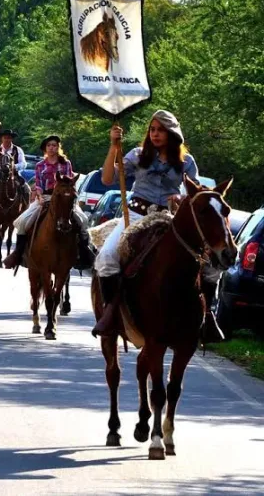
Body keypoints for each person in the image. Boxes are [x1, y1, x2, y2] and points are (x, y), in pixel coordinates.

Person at [91, 110, 214, 338]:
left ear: (172, 133)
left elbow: (196, 194)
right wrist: (113, 146)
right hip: (137, 217)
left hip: (170, 219)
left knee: (208, 261)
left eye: (161, 130)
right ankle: (111, 310)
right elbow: (107, 179)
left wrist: (181, 198)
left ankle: (206, 315)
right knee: (107, 257)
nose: (156, 134)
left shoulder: (186, 161)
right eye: (153, 129)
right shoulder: (138, 154)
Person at [3, 135, 95, 270]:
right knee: (22, 222)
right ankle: (18, 254)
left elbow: (71, 182)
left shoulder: (66, 164)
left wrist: (70, 196)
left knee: (83, 221)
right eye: (49, 145)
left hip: (64, 199)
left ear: (58, 148)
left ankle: (84, 253)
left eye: (54, 145)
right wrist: (39, 196)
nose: (52, 148)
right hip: (45, 198)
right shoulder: (40, 165)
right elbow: (39, 184)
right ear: (45, 148)